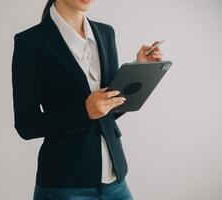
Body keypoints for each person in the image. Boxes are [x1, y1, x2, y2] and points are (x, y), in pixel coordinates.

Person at [11, 0, 162, 199]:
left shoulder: (106, 33)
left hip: (116, 182)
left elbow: (108, 111)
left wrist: (138, 68)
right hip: (64, 187)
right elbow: (26, 125)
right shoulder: (30, 42)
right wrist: (84, 112)